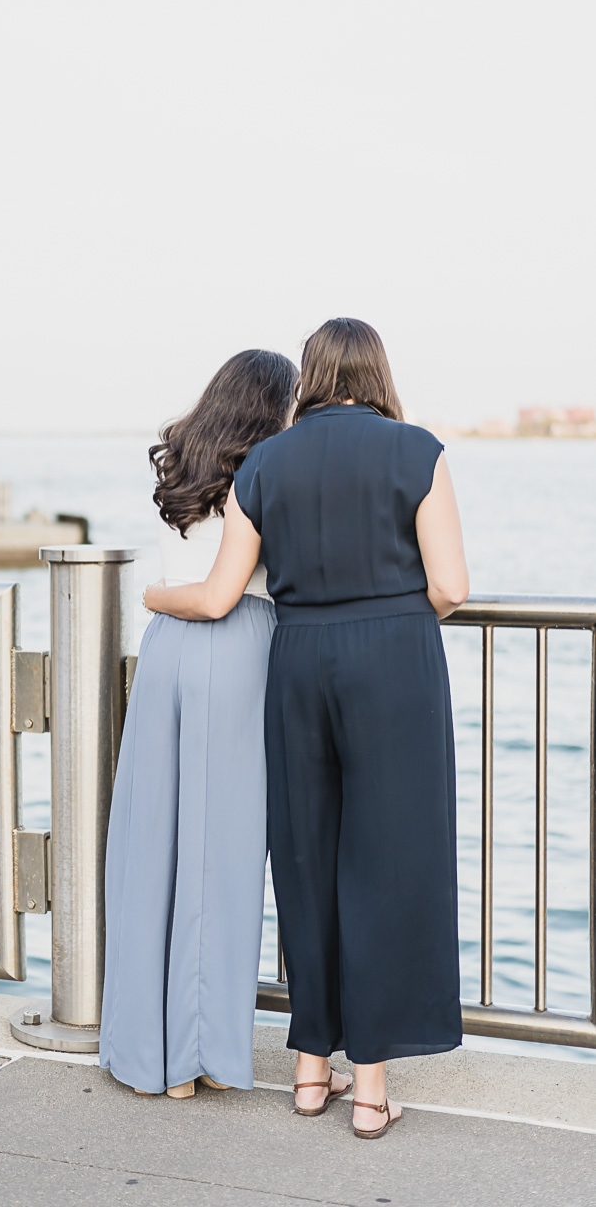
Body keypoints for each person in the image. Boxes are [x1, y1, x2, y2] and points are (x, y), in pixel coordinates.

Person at [145, 318, 468, 1138]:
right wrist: (389, 614)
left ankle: (310, 1070)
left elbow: (229, 580)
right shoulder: (418, 450)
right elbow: (452, 587)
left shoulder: (263, 462)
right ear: (379, 372)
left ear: (312, 378)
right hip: (393, 661)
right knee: (386, 863)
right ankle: (371, 1091)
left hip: (297, 661)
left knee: (306, 857)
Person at [100, 349, 298, 1099]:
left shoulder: (180, 454)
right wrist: (157, 594)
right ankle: (197, 1055)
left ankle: (143, 1049)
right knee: (221, 854)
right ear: (271, 405)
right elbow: (221, 596)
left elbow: (189, 579)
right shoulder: (264, 472)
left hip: (166, 658)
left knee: (151, 844)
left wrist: (155, 598)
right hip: (235, 646)